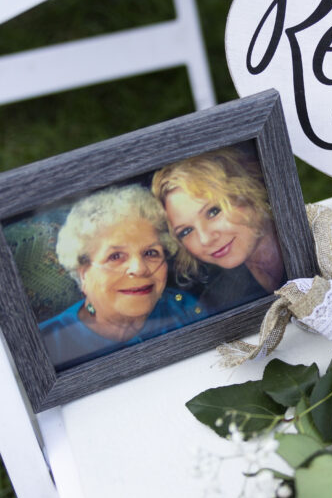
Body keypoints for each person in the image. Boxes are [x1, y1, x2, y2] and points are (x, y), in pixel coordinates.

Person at [39, 185, 205, 369]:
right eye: (115, 256)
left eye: (151, 252)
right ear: (84, 274)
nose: (139, 269)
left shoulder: (185, 308)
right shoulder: (45, 344)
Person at [151, 147, 285, 313]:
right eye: (185, 231)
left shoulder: (320, 237)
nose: (205, 239)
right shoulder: (217, 304)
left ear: (249, 191)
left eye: (213, 212)